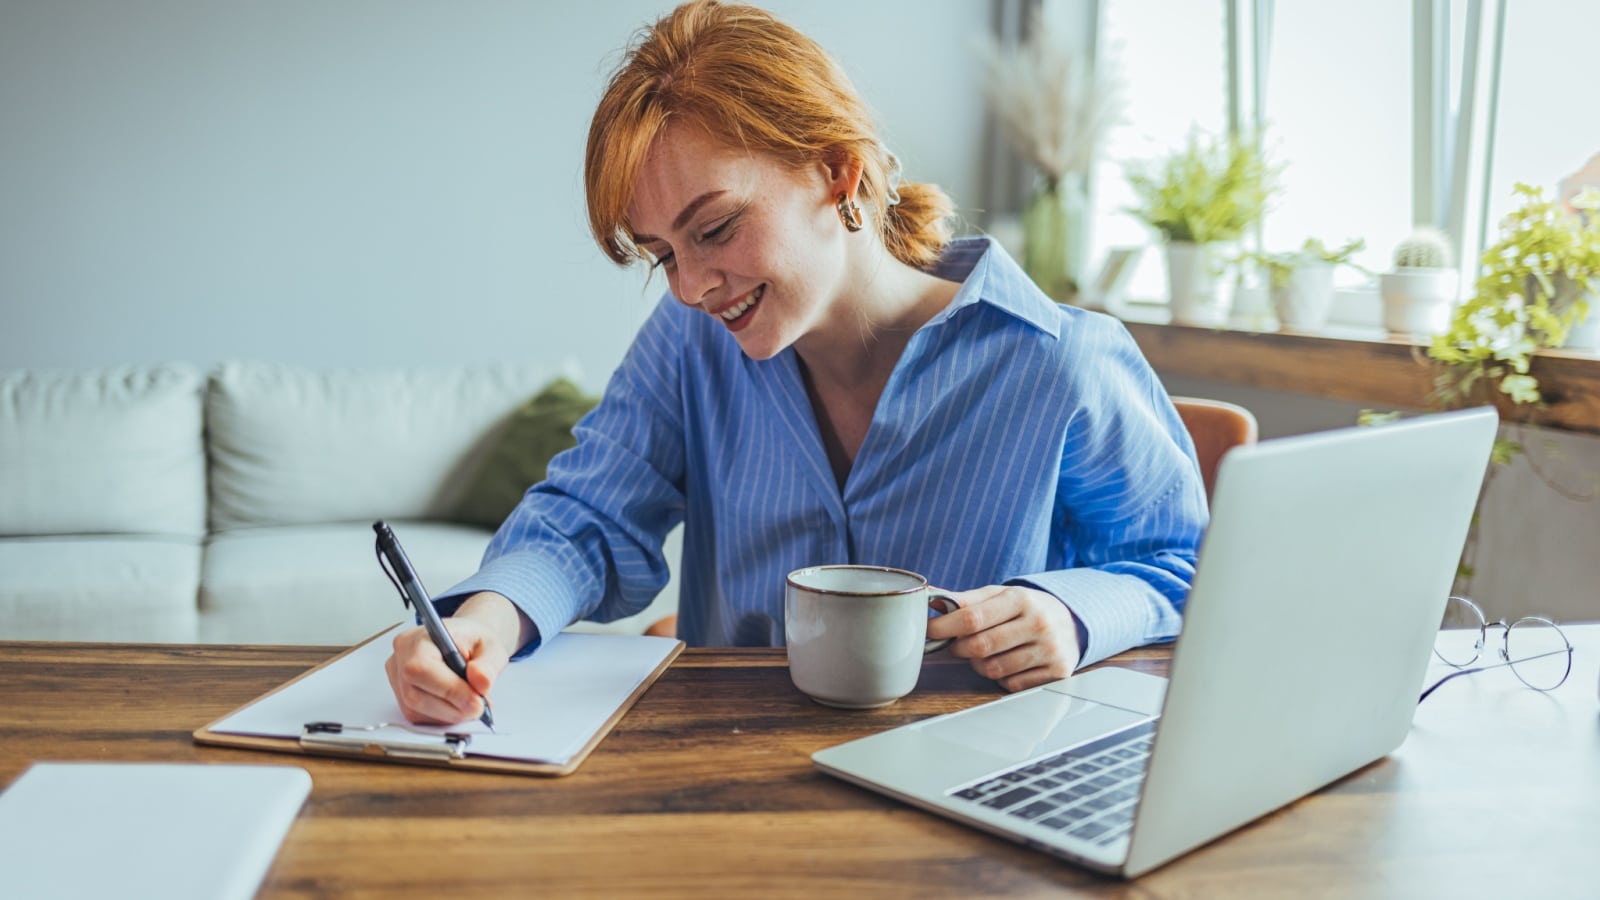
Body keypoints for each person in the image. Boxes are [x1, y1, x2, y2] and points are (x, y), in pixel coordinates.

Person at [385, 0, 1207, 726]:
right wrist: (485, 620)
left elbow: (1190, 564)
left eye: (713, 230)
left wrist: (1069, 613)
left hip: (969, 787)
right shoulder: (688, 349)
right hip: (732, 780)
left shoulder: (1061, 361)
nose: (691, 287)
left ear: (838, 171)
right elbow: (588, 518)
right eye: (661, 253)